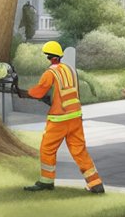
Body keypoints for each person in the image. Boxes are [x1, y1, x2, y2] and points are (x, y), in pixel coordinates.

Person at [24, 40, 104, 194]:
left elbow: (40, 91)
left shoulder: (50, 73)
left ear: (49, 57)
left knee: (47, 149)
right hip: (75, 116)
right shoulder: (69, 70)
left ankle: (46, 182)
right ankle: (96, 184)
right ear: (59, 56)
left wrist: (27, 93)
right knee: (79, 151)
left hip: (59, 119)